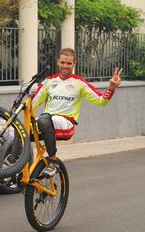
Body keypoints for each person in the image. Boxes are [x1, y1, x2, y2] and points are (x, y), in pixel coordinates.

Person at [32, 47, 123, 176]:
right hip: (45, 123)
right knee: (19, 131)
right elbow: (33, 103)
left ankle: (53, 161)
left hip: (66, 124)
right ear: (58, 62)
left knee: (45, 118)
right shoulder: (49, 81)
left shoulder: (79, 83)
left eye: (69, 63)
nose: (65, 66)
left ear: (74, 64)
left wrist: (111, 88)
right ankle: (15, 166)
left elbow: (101, 100)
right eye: (63, 62)